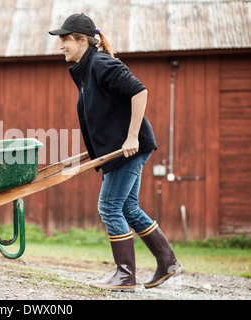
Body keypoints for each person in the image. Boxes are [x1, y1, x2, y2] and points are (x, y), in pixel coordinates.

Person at [49, 13, 183, 292]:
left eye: (64, 40)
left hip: (129, 149)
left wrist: (132, 136)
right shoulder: (85, 70)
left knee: (109, 207)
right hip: (120, 150)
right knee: (127, 208)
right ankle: (168, 263)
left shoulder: (101, 64)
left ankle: (125, 276)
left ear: (81, 40)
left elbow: (139, 92)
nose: (60, 45)